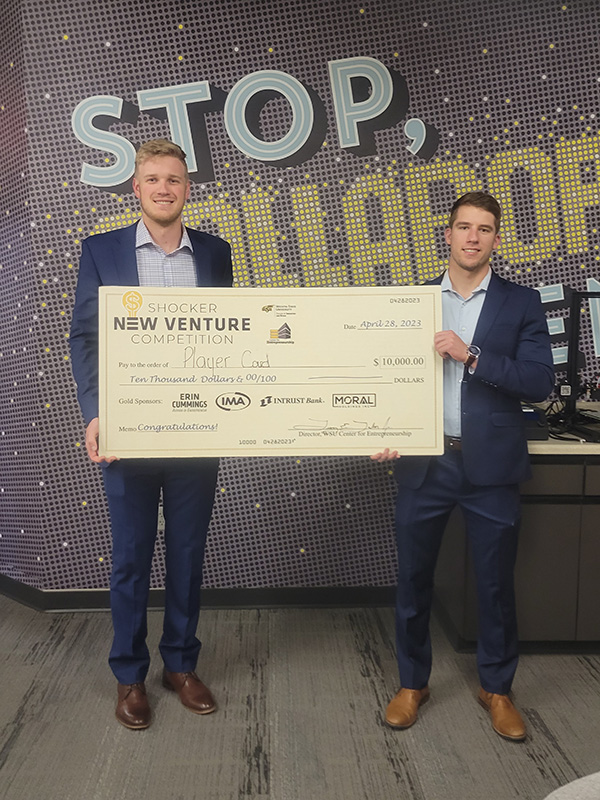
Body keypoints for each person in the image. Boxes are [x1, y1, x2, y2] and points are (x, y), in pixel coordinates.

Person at [372, 192, 554, 741]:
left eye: (484, 229)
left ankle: (497, 689)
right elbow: (387, 380)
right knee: (412, 580)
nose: (473, 237)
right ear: (447, 235)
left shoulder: (521, 303)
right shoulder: (415, 301)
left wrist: (471, 356)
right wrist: (384, 432)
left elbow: (540, 383)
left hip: (491, 468)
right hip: (424, 465)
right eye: (463, 227)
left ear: (497, 238)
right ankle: (412, 682)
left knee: (495, 585)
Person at [70, 139, 233, 729]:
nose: (164, 188)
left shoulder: (216, 254)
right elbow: (84, 338)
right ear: (135, 189)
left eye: (175, 179)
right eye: (153, 180)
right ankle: (129, 675)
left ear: (188, 189)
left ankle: (181, 665)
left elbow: (231, 338)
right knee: (131, 559)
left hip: (197, 432)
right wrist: (94, 412)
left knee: (188, 554)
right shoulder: (102, 251)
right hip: (128, 432)